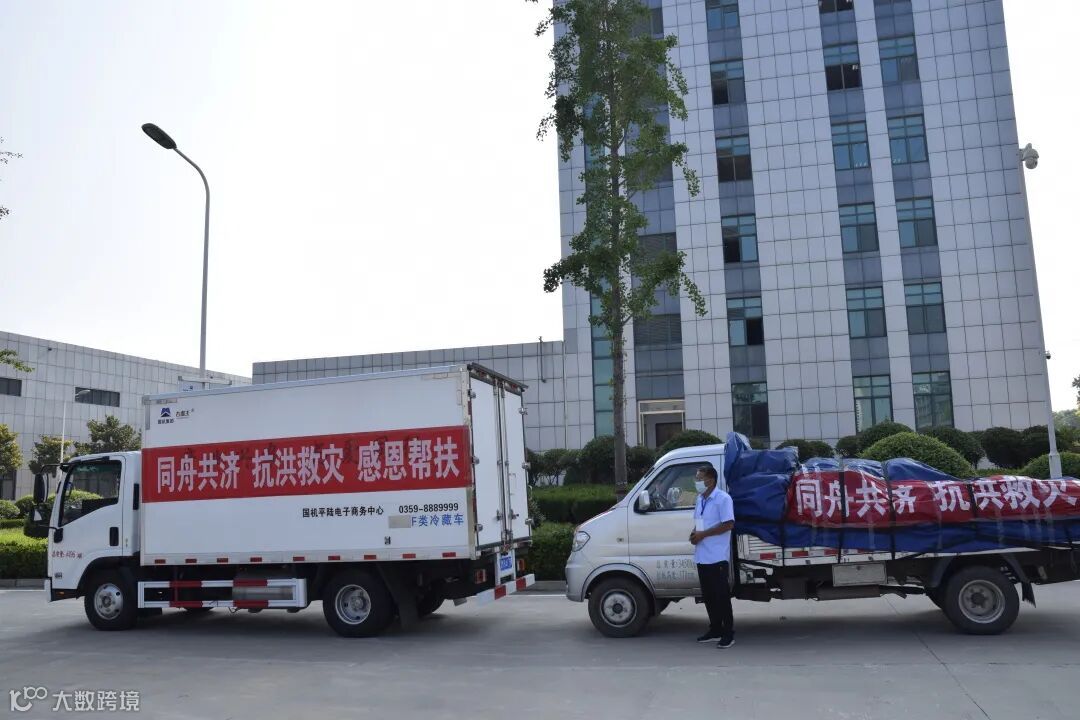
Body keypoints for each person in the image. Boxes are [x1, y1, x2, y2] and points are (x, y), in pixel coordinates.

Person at [690, 464, 735, 648]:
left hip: (717, 556)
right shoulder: (700, 499)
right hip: (702, 555)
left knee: (721, 597)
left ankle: (728, 634)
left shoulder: (723, 498)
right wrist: (694, 534)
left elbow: (728, 524)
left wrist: (703, 535)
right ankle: (715, 629)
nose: (697, 482)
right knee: (708, 596)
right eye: (697, 478)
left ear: (711, 479)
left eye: (700, 478)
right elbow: (699, 522)